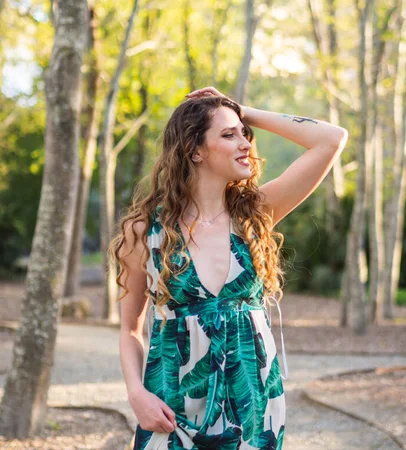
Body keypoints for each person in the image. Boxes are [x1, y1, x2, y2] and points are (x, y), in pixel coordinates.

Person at [109, 86, 348, 449]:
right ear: (195, 150)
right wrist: (136, 393)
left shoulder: (256, 214)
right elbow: (130, 327)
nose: (246, 144)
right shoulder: (145, 231)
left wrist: (242, 110)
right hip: (171, 404)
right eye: (229, 134)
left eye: (244, 134)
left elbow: (331, 139)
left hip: (253, 404)